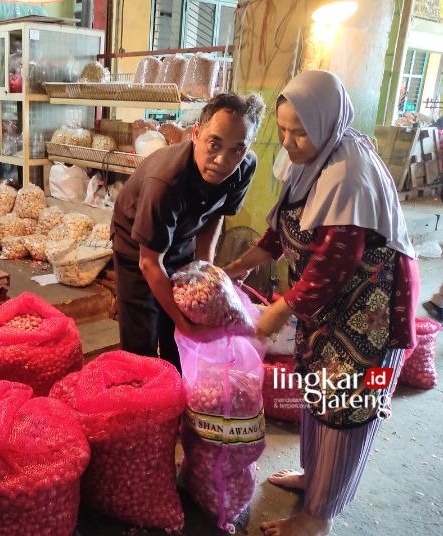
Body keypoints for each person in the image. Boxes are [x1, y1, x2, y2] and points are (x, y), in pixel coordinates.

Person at [224, 70, 418, 536]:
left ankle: (319, 515)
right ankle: (315, 479)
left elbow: (335, 261)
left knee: (345, 406)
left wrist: (276, 311)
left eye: (299, 132)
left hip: (369, 312)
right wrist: (246, 263)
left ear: (326, 123)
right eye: (283, 129)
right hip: (330, 306)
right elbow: (287, 225)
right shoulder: (311, 158)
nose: (288, 142)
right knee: (318, 393)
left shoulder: (349, 172)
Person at [111, 92, 265, 369]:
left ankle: (178, 392)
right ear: (196, 133)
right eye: (214, 144)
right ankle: (144, 393)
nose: (222, 160)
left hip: (181, 240)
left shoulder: (245, 167)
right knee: (143, 333)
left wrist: (204, 269)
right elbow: (149, 263)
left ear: (248, 147)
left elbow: (215, 213)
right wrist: (185, 325)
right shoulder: (166, 180)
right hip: (137, 246)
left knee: (182, 326)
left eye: (237, 150)